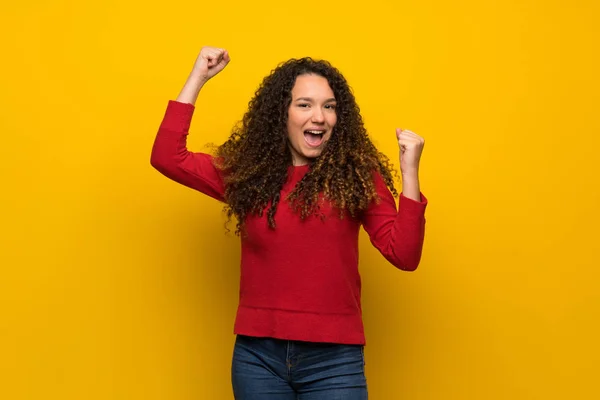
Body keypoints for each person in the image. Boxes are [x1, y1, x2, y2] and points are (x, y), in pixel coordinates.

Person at [151, 46, 428, 399]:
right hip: (258, 359)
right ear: (281, 113)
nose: (320, 117)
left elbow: (404, 254)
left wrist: (410, 174)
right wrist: (198, 78)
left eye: (329, 106)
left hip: (335, 362)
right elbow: (167, 156)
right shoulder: (251, 174)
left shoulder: (356, 176)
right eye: (305, 104)